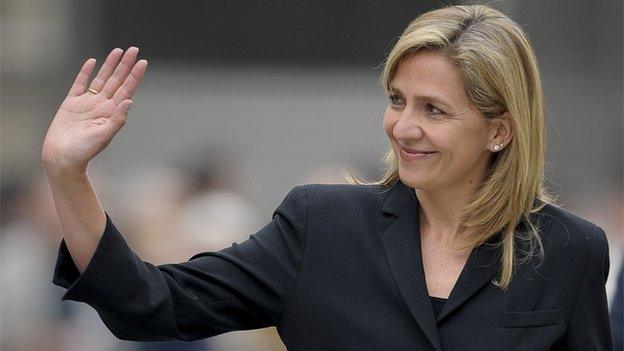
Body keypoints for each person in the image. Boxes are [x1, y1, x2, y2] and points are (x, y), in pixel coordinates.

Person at [42, 4, 613, 350]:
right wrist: (68, 174)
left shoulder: (570, 250)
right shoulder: (321, 225)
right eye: (397, 100)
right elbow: (150, 304)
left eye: (433, 110)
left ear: (500, 131)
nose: (403, 127)